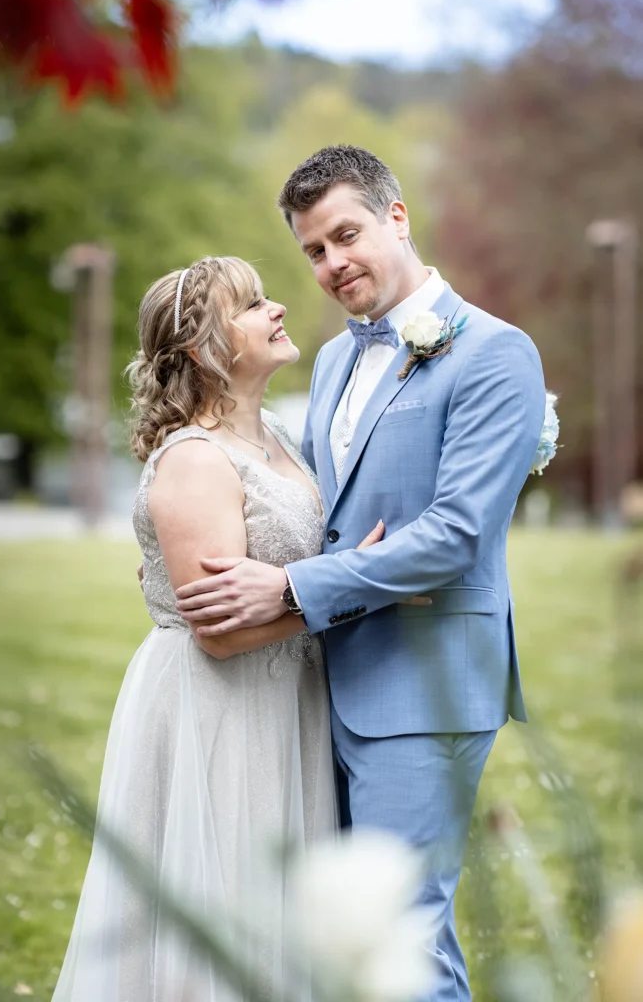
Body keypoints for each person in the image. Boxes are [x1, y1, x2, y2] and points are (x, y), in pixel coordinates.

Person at [175, 145, 547, 1002]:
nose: (332, 262)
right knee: (342, 943)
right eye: (312, 250)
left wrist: (293, 588)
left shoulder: (494, 353)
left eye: (346, 235)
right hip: (316, 686)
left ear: (396, 217)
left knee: (402, 939)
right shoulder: (335, 360)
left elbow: (455, 536)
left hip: (424, 685)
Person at [53, 256, 388, 1002]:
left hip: (282, 701)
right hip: (221, 706)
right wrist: (352, 591)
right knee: (221, 911)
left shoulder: (271, 434)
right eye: (253, 305)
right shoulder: (196, 460)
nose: (276, 310)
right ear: (207, 348)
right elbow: (221, 633)